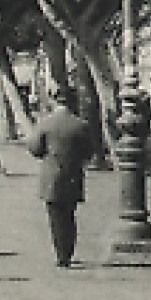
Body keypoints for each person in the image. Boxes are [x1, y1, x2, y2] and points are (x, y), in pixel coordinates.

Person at [27, 87, 95, 268]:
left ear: (55, 101)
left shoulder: (46, 123)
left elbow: (35, 148)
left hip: (51, 176)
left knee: (55, 216)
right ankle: (68, 251)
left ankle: (61, 254)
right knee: (70, 215)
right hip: (72, 175)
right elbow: (89, 152)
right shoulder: (81, 125)